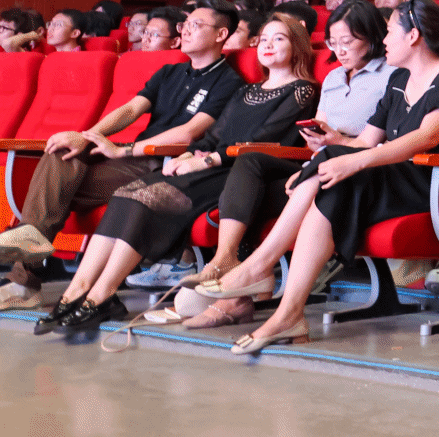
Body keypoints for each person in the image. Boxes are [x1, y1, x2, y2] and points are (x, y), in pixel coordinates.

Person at [199, 0, 439, 354]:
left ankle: (259, 267)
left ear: (413, 36)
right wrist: (323, 160)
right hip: (388, 176)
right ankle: (288, 314)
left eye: (390, 32)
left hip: (431, 183)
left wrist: (349, 162)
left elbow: (425, 138)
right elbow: (365, 141)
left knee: (336, 170)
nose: (384, 40)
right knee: (330, 186)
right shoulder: (399, 79)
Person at [36, 18, 318, 334]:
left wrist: (206, 160)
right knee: (126, 193)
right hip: (211, 165)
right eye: (263, 38)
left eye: (279, 39)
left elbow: (265, 139)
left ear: (297, 47)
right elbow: (215, 135)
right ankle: (77, 291)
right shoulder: (247, 90)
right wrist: (188, 155)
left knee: (147, 198)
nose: (267, 45)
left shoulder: (302, 90)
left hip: (240, 174)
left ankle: (100, 295)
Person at [0, 1, 239, 307]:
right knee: (63, 151)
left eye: (196, 25)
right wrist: (86, 137)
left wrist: (124, 149)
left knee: (55, 192)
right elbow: (130, 110)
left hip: (163, 165)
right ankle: (30, 244)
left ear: (221, 34)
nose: (186, 31)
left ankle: (25, 276)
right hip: (130, 159)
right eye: (185, 25)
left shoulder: (229, 82)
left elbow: (189, 133)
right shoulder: (171, 71)